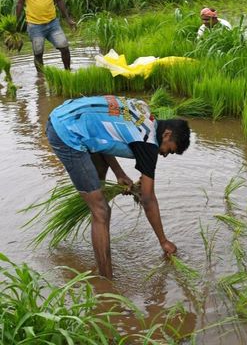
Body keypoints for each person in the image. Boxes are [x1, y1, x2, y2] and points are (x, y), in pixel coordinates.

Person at [46, 95, 191, 279]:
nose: (165, 155)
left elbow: (102, 135)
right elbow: (148, 199)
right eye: (169, 150)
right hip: (66, 131)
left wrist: (119, 173)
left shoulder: (145, 113)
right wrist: (164, 241)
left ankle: (97, 229)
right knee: (101, 211)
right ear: (167, 134)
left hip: (66, 115)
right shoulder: (148, 143)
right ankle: (106, 283)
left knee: (98, 194)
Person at [16, 0, 76, 71]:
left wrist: (68, 19)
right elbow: (19, 3)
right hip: (34, 25)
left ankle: (68, 73)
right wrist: (15, 22)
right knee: (38, 53)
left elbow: (59, 0)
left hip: (52, 24)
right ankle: (41, 80)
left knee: (64, 47)